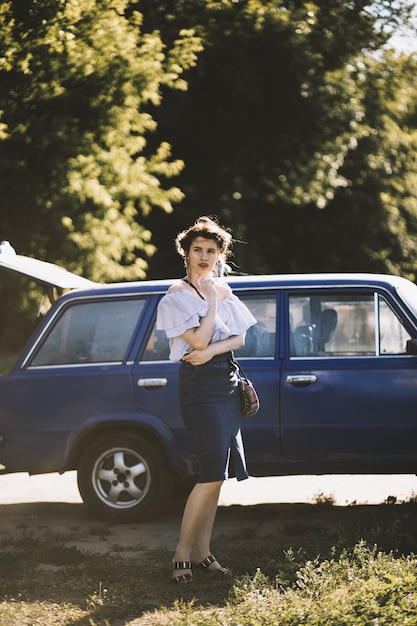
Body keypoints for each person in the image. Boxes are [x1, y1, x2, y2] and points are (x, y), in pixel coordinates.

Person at [156, 216, 256, 584]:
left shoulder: (222, 289)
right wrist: (212, 304)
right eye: (197, 250)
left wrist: (211, 348)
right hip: (199, 387)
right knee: (210, 472)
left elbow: (239, 339)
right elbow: (196, 341)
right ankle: (181, 554)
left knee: (219, 476)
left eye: (210, 251)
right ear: (185, 253)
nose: (203, 256)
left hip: (227, 382)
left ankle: (203, 551)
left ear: (220, 255)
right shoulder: (176, 296)